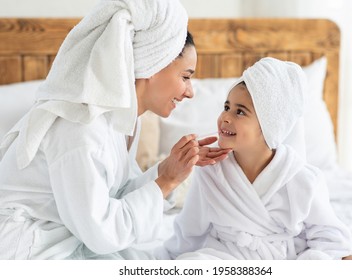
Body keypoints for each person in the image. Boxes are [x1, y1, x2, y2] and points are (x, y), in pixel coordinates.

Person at [0, 0, 229, 260]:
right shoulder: (82, 127)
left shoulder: (125, 120)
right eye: (185, 77)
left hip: (68, 238)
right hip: (26, 252)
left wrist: (169, 169)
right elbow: (101, 232)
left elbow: (115, 197)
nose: (190, 92)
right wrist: (166, 182)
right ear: (154, 64)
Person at [163, 57, 352, 260]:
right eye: (226, 107)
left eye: (240, 112)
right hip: (223, 259)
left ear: (269, 125)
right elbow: (190, 230)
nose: (226, 117)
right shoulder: (211, 168)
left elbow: (330, 238)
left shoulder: (302, 179)